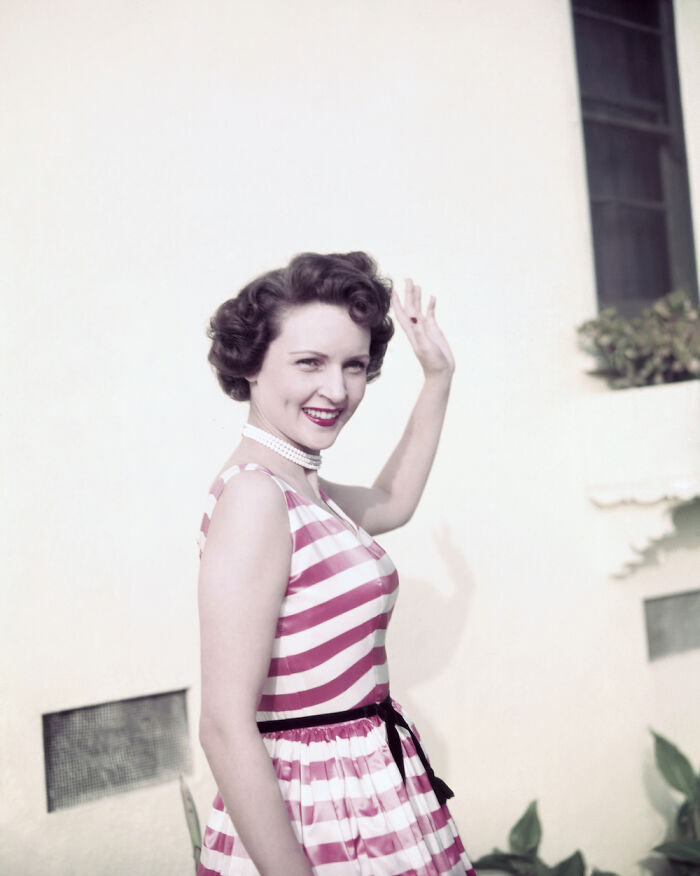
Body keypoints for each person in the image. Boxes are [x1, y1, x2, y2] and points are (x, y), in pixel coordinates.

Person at [196, 251, 476, 876]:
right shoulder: (255, 497)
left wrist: (438, 377)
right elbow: (222, 724)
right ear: (251, 364)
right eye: (309, 363)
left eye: (354, 365)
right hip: (312, 813)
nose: (338, 390)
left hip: (365, 794)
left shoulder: (297, 486)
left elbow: (393, 502)